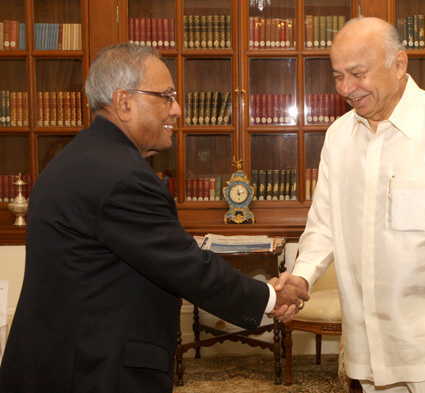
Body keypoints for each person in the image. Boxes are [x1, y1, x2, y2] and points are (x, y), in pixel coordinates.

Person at [0, 43, 308, 393]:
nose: (176, 109)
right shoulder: (122, 176)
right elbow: (187, 269)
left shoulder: (80, 157)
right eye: (166, 96)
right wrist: (270, 297)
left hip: (61, 362)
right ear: (124, 102)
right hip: (93, 372)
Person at [276, 17, 425, 393]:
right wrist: (301, 278)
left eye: (357, 73)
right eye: (337, 76)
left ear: (399, 64)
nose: (347, 89)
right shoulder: (338, 137)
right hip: (367, 346)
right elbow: (324, 224)